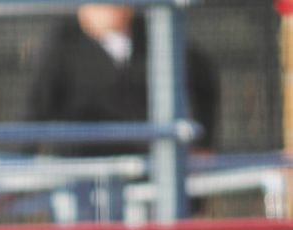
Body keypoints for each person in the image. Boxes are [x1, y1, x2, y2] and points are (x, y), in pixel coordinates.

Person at [26, 3, 220, 157]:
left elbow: (203, 81)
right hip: (83, 179)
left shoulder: (156, 34)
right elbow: (35, 111)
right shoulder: (61, 44)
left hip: (149, 175)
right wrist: (14, 171)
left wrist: (202, 145)